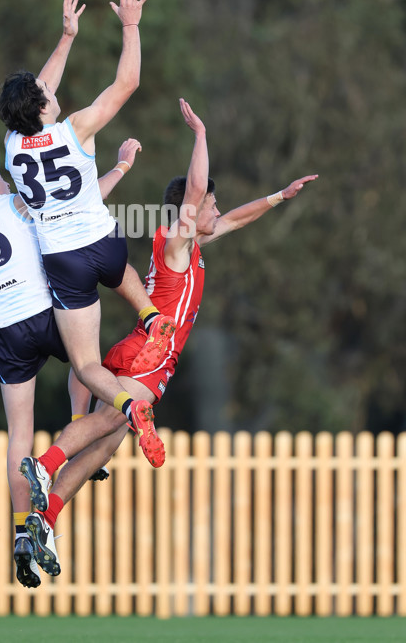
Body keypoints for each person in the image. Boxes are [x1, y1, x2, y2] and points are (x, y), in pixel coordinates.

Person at [19, 98, 319, 577]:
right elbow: (198, 187)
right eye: (210, 206)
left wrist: (279, 196)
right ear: (190, 209)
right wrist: (200, 134)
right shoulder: (178, 240)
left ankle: (45, 515)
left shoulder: (192, 242)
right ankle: (45, 463)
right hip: (152, 355)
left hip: (138, 345)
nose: (215, 210)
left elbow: (236, 219)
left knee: (103, 440)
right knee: (108, 427)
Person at [0, 0, 175, 469]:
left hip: (63, 259)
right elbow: (127, 82)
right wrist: (131, 26)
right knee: (125, 277)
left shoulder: (13, 146)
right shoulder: (76, 127)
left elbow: (38, 90)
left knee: (86, 365)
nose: (48, 92)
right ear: (41, 108)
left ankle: (127, 406)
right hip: (102, 242)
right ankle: (150, 315)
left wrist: (67, 37)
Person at [0, 137, 142, 588]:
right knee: (87, 364)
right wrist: (120, 168)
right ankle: (79, 435)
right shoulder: (13, 203)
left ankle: (22, 531)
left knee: (18, 432)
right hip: (41, 309)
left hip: (4, 327)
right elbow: (73, 206)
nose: (4, 178)